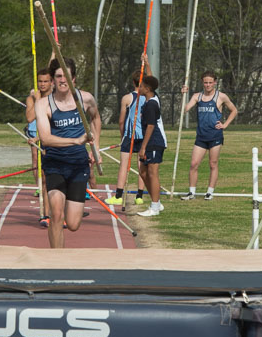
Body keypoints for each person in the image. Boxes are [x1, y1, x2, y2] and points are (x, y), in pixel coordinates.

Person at [34, 57, 102, 248]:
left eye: (67, 76)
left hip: (78, 165)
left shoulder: (85, 99)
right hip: (55, 163)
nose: (63, 80)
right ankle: (57, 262)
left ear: (74, 79)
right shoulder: (43, 105)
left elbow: (96, 119)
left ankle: (68, 202)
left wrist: (95, 147)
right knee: (56, 213)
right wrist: (76, 140)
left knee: (73, 224)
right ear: (53, 79)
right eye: (58, 76)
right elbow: (46, 138)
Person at [180, 71, 239, 200]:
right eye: (205, 82)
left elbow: (234, 110)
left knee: (213, 163)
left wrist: (225, 124)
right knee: (194, 164)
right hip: (201, 136)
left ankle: (210, 192)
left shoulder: (221, 96)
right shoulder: (197, 96)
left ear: (215, 83)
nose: (207, 85)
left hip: (215, 136)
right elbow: (185, 109)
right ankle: (191, 192)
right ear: (202, 83)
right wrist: (183, 95)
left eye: (210, 83)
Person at [107, 68, 147, 210]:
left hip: (130, 136)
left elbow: (121, 120)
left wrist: (122, 134)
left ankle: (118, 196)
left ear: (133, 82)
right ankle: (139, 197)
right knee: (141, 166)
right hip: (143, 137)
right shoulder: (149, 97)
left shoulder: (127, 98)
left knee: (124, 165)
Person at [134, 75, 167, 217]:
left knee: (152, 173)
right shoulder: (150, 100)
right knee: (142, 172)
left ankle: (154, 207)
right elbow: (152, 79)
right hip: (147, 142)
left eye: (141, 86)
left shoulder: (153, 104)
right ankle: (157, 202)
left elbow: (151, 126)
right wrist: (147, 63)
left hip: (154, 142)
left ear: (147, 89)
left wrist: (143, 147)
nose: (138, 88)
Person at [25, 68, 53, 226]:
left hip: (53, 140)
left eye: (45, 81)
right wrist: (37, 100)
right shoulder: (33, 98)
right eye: (40, 81)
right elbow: (30, 117)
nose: (42, 84)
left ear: (51, 82)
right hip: (38, 137)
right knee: (44, 179)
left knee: (56, 178)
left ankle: (63, 211)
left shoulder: (56, 97)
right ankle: (46, 214)